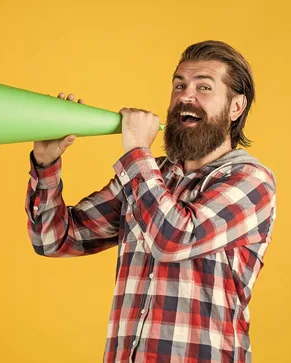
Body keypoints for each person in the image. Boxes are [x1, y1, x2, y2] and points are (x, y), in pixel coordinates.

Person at [24, 40, 277, 363]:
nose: (186, 96)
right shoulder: (149, 174)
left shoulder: (251, 179)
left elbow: (173, 239)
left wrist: (136, 153)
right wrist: (46, 166)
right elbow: (54, 239)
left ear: (235, 107)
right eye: (179, 85)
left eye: (204, 87)